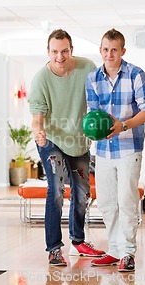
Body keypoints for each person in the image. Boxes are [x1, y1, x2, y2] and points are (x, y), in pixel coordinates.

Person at [28, 29, 105, 267]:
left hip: (79, 140)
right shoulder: (41, 79)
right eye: (54, 52)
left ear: (71, 50)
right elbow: (37, 120)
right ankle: (54, 248)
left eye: (64, 51)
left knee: (83, 194)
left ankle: (78, 241)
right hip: (51, 140)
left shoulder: (87, 68)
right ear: (48, 52)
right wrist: (38, 132)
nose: (59, 56)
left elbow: (99, 99)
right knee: (57, 190)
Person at [85, 28, 145, 272]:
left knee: (126, 200)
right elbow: (93, 114)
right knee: (105, 202)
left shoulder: (136, 75)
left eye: (114, 49)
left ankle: (128, 253)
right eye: (105, 49)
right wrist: (91, 129)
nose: (109, 54)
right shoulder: (92, 78)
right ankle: (114, 250)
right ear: (100, 50)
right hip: (103, 149)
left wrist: (122, 125)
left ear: (123, 51)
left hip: (128, 147)